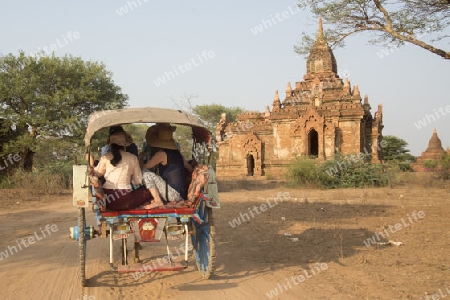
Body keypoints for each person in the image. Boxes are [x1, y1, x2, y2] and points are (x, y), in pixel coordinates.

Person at [92, 131, 151, 210]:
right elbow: (138, 181)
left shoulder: (106, 157)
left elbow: (97, 173)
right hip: (125, 199)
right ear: (124, 145)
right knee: (148, 193)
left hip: (109, 201)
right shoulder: (133, 157)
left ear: (111, 145)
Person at [139, 124, 192, 209]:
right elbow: (189, 168)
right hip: (182, 194)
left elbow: (144, 167)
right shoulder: (178, 154)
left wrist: (141, 157)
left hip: (173, 195)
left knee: (145, 173)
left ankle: (157, 201)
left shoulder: (161, 154)